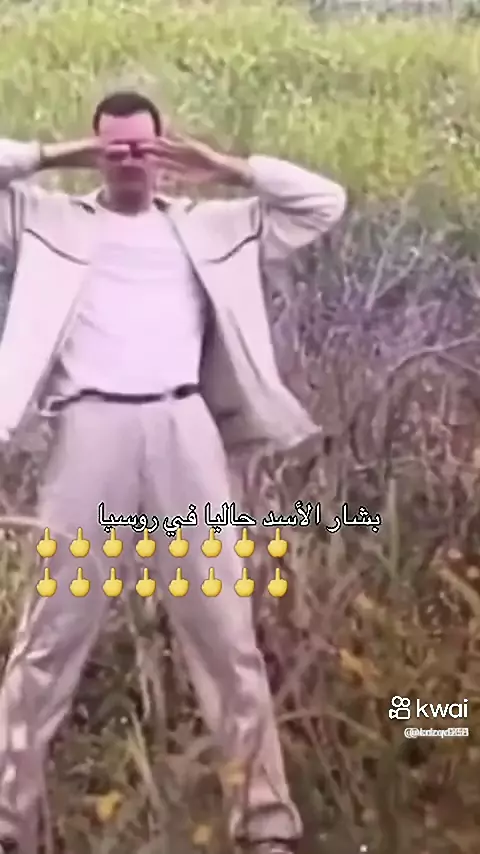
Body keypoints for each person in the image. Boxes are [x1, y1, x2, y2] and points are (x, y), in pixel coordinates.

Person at [0, 91, 346, 854]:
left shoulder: (213, 226)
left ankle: (265, 825)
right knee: (51, 634)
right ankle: (8, 823)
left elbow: (325, 203)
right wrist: (54, 156)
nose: (131, 160)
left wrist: (227, 167)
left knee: (225, 633)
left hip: (184, 428)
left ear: (166, 150)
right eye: (115, 146)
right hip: (89, 431)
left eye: (144, 146)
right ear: (96, 149)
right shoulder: (48, 220)